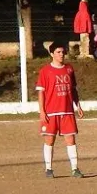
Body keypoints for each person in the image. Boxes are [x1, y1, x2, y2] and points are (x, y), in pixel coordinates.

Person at [35, 42, 84, 178]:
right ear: (52, 54)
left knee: (71, 140)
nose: (61, 54)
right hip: (51, 112)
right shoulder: (45, 71)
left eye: (63, 52)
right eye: (58, 52)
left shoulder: (69, 69)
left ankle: (75, 169)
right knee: (49, 141)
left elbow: (73, 90)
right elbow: (41, 93)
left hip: (67, 111)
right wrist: (42, 112)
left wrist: (77, 106)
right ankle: (49, 168)